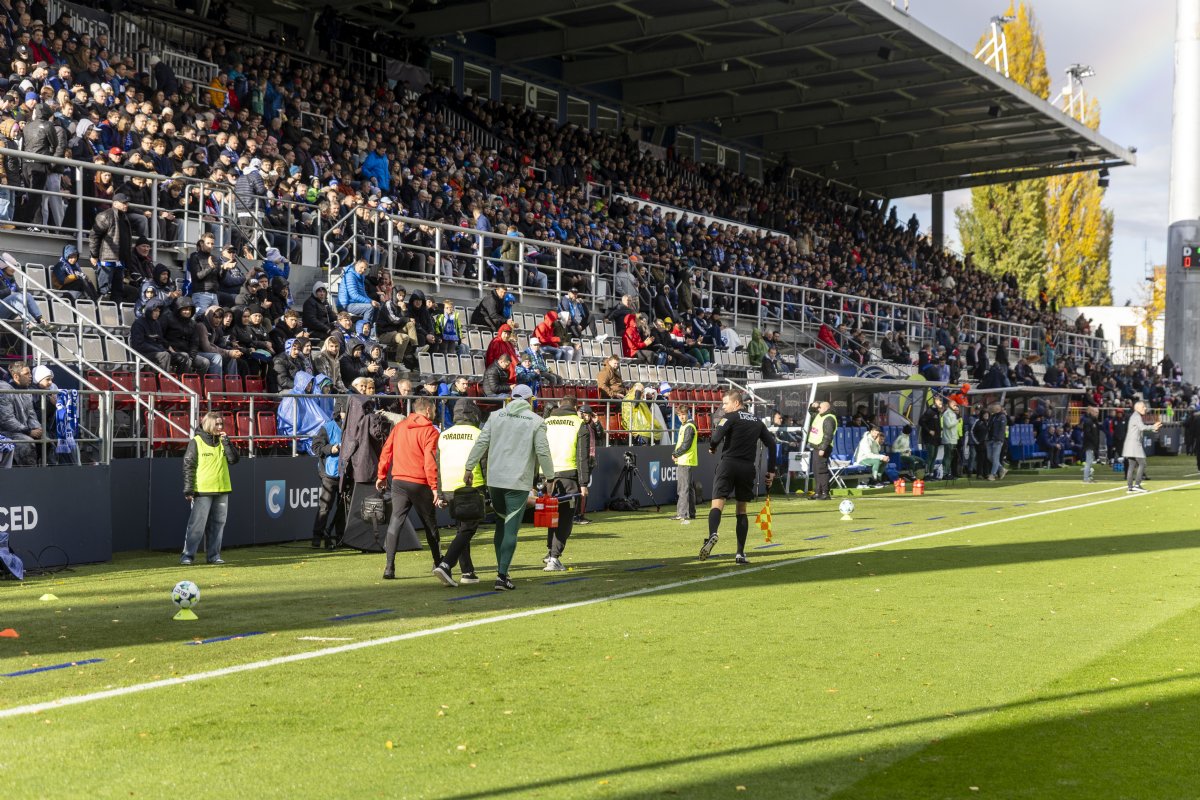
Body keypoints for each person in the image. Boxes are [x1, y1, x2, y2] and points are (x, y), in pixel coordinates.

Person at [463, 384, 554, 591]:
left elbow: (481, 443)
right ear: (530, 401)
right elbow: (543, 451)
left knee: (501, 524)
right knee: (511, 528)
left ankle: (502, 571)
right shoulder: (536, 421)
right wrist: (550, 477)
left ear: (510, 399)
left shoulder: (495, 416)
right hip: (518, 482)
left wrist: (469, 467)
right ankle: (502, 575)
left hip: (495, 480)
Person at [699, 389, 776, 564]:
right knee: (741, 510)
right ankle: (740, 553)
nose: (724, 407)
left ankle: (713, 534)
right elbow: (771, 444)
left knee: (717, 503)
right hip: (747, 468)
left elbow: (716, 436)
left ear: (736, 403)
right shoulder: (757, 421)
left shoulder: (730, 417)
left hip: (728, 464)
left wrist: (712, 447)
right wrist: (771, 470)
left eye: (726, 403)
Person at [375, 396, 443, 580]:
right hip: (420, 483)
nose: (435, 413)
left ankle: (389, 567)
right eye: (434, 410)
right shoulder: (430, 431)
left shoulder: (400, 427)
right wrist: (435, 486)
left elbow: (386, 451)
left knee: (395, 521)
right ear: (428, 410)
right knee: (429, 524)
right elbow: (430, 461)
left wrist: (381, 475)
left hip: (399, 481)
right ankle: (439, 563)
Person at [432, 401, 486, 587]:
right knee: (468, 528)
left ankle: (467, 572)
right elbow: (484, 463)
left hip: (449, 487)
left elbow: (438, 465)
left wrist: (440, 492)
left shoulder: (444, 435)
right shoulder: (478, 434)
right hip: (471, 485)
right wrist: (489, 488)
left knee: (462, 528)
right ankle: (446, 564)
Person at [180, 411, 238, 565]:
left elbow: (234, 460)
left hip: (222, 489)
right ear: (209, 425)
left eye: (221, 424)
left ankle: (214, 556)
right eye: (216, 424)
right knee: (197, 525)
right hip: (202, 490)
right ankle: (187, 556)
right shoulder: (196, 441)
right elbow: (188, 466)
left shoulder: (223, 441)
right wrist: (189, 490)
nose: (220, 427)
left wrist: (227, 442)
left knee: (218, 525)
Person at [541, 396, 590, 572]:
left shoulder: (546, 421)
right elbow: (582, 456)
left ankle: (550, 553)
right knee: (565, 520)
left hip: (546, 476)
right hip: (568, 476)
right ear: (576, 407)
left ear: (560, 405)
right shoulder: (579, 423)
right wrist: (584, 483)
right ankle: (554, 558)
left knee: (552, 517)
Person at [90, 193, 137, 302]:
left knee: (118, 291)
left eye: (127, 203)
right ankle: (100, 311)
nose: (126, 205)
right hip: (107, 260)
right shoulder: (105, 215)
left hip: (120, 261)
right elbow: (94, 235)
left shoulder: (124, 217)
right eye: (124, 203)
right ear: (115, 203)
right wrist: (94, 255)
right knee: (104, 290)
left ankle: (116, 311)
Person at [311, 407, 346, 549]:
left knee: (343, 508)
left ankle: (340, 537)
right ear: (340, 411)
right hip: (329, 474)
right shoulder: (327, 427)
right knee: (325, 507)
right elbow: (316, 447)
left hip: (346, 474)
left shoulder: (353, 426)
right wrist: (331, 449)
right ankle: (317, 537)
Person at [0, 363, 43, 466]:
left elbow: (31, 414)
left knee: (47, 441)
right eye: (27, 374)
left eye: (30, 373)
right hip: (5, 432)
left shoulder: (26, 390)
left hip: (23, 431)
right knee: (27, 444)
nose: (30, 376)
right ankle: (29, 474)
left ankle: (45, 472)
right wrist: (28, 431)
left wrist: (37, 429)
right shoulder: (4, 390)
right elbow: (6, 420)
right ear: (16, 376)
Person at [1122, 400, 1160, 494]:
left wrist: (1152, 429)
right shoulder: (1136, 416)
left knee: (1131, 465)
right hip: (1134, 444)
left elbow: (1139, 428)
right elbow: (1142, 427)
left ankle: (1130, 487)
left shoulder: (1134, 416)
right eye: (1143, 407)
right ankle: (1137, 485)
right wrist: (1153, 427)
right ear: (1137, 408)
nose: (1145, 408)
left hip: (1129, 444)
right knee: (1142, 463)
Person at [670, 405, 698, 524]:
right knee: (688, 488)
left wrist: (675, 454)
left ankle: (682, 514)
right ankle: (691, 513)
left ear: (688, 414)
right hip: (686, 459)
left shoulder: (689, 426)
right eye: (679, 415)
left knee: (683, 488)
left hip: (685, 460)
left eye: (683, 414)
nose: (681, 417)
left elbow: (686, 445)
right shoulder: (687, 425)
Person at [807, 400, 837, 500]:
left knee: (822, 470)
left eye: (820, 407)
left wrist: (823, 448)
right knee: (816, 470)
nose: (818, 409)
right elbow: (811, 411)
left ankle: (825, 493)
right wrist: (813, 405)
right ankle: (818, 492)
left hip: (822, 447)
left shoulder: (829, 418)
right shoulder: (819, 415)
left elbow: (828, 435)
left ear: (826, 408)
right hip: (817, 447)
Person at [986, 402, 1009, 481]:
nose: (994, 409)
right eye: (993, 407)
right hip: (990, 439)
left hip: (997, 440)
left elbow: (1002, 429)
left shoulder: (1002, 417)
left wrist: (999, 438)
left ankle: (992, 475)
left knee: (995, 458)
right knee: (990, 457)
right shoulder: (992, 416)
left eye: (995, 407)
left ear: (999, 408)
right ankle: (1002, 469)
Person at [941, 400, 960, 479]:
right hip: (948, 438)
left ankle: (948, 473)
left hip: (953, 438)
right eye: (954, 405)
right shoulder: (947, 413)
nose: (955, 406)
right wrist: (956, 421)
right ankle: (945, 473)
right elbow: (948, 425)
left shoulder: (952, 413)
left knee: (950, 456)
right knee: (947, 456)